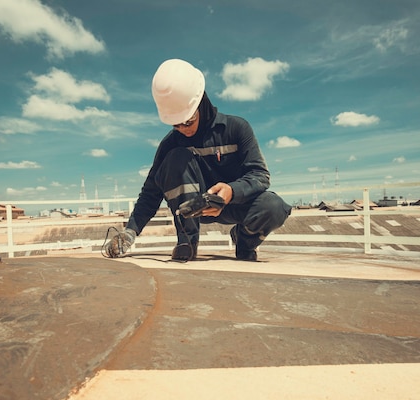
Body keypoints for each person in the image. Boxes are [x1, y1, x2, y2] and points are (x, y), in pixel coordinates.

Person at [109, 58, 291, 261]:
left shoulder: (237, 128)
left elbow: (260, 176)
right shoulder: (171, 144)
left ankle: (244, 241)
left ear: (201, 102)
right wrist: (130, 231)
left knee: (275, 207)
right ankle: (187, 241)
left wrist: (231, 191)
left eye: (188, 122)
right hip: (191, 209)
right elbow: (151, 191)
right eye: (176, 125)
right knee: (176, 157)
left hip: (234, 203)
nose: (183, 130)